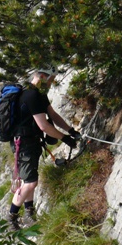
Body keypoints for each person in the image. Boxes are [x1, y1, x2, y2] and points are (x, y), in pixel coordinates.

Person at [8, 66, 80, 230]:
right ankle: (11, 218)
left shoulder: (39, 95)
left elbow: (53, 115)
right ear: (42, 76)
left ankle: (29, 214)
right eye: (51, 80)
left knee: (29, 180)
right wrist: (65, 138)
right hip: (24, 143)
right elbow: (44, 126)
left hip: (30, 142)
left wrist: (70, 130)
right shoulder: (31, 95)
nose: (51, 84)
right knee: (31, 182)